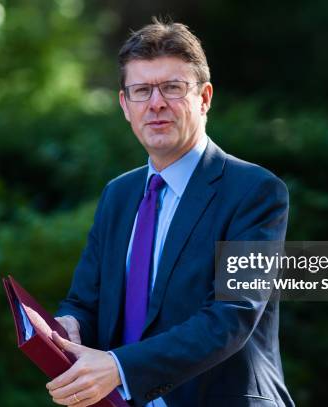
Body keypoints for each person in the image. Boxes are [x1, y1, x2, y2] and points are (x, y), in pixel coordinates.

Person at [46, 17, 294, 407]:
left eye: (172, 88)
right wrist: (68, 328)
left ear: (205, 97)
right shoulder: (119, 195)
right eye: (142, 91)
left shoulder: (255, 192)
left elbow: (231, 317)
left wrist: (120, 367)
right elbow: (84, 301)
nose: (156, 103)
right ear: (125, 105)